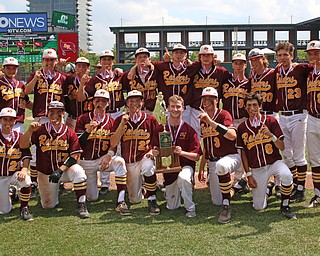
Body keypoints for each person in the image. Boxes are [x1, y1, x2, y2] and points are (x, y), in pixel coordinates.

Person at [20, 101, 90, 219]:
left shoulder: (69, 132)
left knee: (79, 172)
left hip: (64, 171)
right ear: (47, 113)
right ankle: (53, 192)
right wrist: (30, 130)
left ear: (63, 114)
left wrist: (60, 170)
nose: (55, 115)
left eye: (58, 112)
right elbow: (23, 145)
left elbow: (75, 156)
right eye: (52, 112)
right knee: (48, 205)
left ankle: (81, 204)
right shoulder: (40, 130)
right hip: (46, 173)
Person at [237, 92, 296, 219]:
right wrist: (248, 175)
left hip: (274, 162)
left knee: (287, 175)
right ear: (245, 108)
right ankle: (268, 189)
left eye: (254, 105)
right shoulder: (242, 127)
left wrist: (271, 135)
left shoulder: (271, 121)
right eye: (249, 106)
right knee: (259, 207)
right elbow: (243, 154)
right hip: (257, 169)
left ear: (260, 106)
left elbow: (282, 146)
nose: (252, 109)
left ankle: (285, 205)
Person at [76, 89, 131, 215]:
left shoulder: (111, 121)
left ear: (108, 104)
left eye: (104, 101)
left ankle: (121, 200)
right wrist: (87, 131)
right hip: (86, 161)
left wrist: (109, 154)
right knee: (92, 197)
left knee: (119, 162)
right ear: (93, 102)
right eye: (98, 100)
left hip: (102, 160)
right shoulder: (83, 119)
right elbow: (77, 144)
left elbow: (113, 143)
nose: (100, 103)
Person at [110, 90, 160, 215]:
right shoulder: (120, 120)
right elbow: (113, 142)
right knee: (135, 200)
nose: (134, 104)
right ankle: (142, 189)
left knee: (149, 167)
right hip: (129, 162)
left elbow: (158, 140)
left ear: (142, 103)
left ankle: (152, 199)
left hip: (143, 158)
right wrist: (122, 124)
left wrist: (152, 150)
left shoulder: (150, 120)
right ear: (127, 103)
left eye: (137, 101)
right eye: (131, 101)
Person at [25, 48, 67, 195]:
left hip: (57, 117)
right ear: (42, 61)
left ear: (56, 61)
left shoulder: (62, 76)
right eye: (46, 60)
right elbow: (26, 91)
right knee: (37, 151)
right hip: (41, 117)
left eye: (51, 60)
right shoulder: (36, 75)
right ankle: (35, 184)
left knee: (58, 148)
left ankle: (59, 181)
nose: (49, 62)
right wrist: (35, 79)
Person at [274, 42, 313, 202]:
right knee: (286, 154)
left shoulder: (300, 68)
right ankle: (296, 184)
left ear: (292, 55)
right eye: (280, 55)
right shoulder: (277, 71)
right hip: (283, 116)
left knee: (298, 155)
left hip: (298, 115)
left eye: (285, 54)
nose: (282, 57)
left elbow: (315, 67)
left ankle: (301, 189)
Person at [152, 95, 202, 217]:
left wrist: (182, 152)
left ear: (183, 108)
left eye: (178, 107)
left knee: (184, 178)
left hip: (185, 166)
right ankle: (172, 192)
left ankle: (190, 208)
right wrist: (154, 152)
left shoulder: (189, 129)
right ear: (167, 108)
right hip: (169, 171)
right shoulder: (160, 128)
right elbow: (152, 148)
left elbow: (196, 156)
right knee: (172, 207)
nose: (175, 109)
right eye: (172, 106)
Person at [198, 87, 241, 224]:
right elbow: (207, 145)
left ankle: (226, 206)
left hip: (230, 157)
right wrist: (201, 167)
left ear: (217, 100)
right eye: (204, 98)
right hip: (212, 160)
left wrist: (210, 122)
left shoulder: (224, 114)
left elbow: (232, 136)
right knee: (216, 201)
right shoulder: (202, 119)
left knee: (221, 166)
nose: (206, 101)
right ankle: (231, 191)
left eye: (210, 98)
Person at [221, 53, 250, 188]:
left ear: (245, 65)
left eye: (241, 63)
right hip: (229, 121)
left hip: (244, 119)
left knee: (243, 149)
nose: (238, 66)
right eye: (236, 63)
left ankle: (240, 178)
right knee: (229, 148)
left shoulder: (249, 83)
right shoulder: (226, 81)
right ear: (232, 65)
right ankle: (224, 175)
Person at [0, 107, 33, 221]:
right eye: (5, 119)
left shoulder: (20, 137)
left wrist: (24, 169)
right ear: (0, 121)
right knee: (4, 211)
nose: (8, 123)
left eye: (11, 120)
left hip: (13, 175)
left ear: (15, 121)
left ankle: (24, 207)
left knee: (26, 180)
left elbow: (26, 154)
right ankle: (12, 193)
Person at [304, 40, 320, 208]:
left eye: (317, 52)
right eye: (311, 53)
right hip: (312, 118)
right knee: (315, 159)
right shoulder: (309, 73)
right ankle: (317, 194)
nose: (314, 56)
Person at [121, 47, 159, 113]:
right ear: (135, 60)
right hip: (133, 110)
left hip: (149, 110)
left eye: (145, 57)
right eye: (139, 57)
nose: (142, 59)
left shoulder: (155, 72)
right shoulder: (129, 74)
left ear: (149, 59)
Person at [0, 57, 31, 133]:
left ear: (17, 69)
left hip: (18, 124)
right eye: (8, 68)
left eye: (14, 68)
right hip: (3, 123)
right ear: (3, 69)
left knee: (19, 144)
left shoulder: (20, 85)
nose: (11, 71)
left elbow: (27, 103)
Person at [63, 57, 91, 130]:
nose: (81, 68)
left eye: (84, 66)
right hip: (71, 118)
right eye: (79, 66)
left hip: (87, 119)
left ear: (88, 68)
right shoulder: (68, 80)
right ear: (75, 67)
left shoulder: (91, 82)